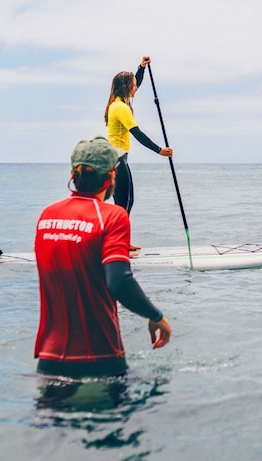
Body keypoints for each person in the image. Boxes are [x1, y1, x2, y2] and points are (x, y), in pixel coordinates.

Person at [33, 136, 172, 378]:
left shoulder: (47, 215)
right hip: (100, 357)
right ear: (111, 177)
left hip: (49, 360)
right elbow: (119, 281)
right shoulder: (113, 216)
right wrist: (155, 315)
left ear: (72, 175)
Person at [103, 56, 173, 218]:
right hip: (116, 159)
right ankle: (117, 241)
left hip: (119, 158)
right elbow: (137, 133)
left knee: (128, 200)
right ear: (127, 86)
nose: (136, 88)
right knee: (122, 203)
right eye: (133, 85)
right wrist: (159, 150)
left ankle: (122, 240)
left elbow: (138, 83)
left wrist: (141, 68)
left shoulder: (121, 101)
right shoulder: (120, 107)